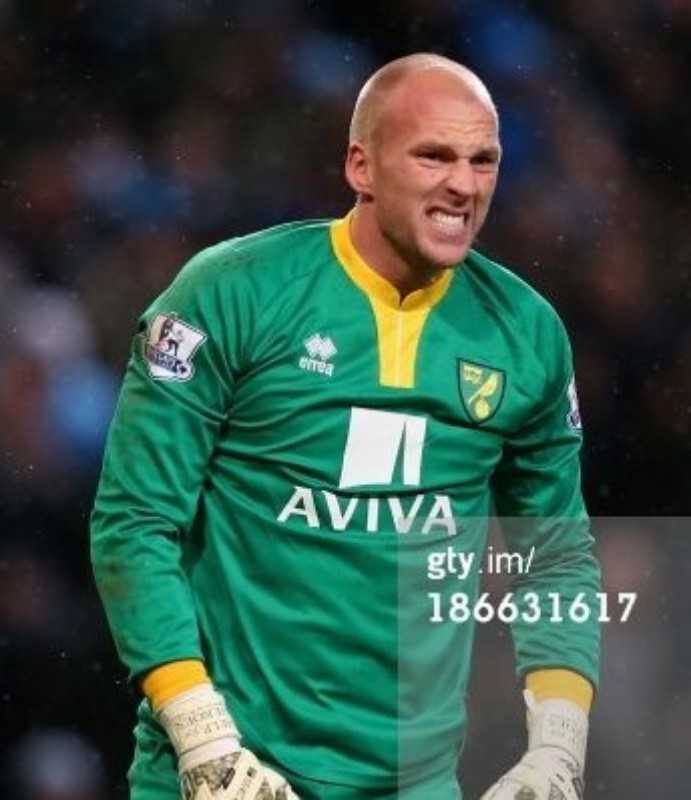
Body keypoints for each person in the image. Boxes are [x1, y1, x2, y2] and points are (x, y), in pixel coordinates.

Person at [90, 53, 601, 800]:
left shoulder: (524, 334)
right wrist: (201, 732)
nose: (463, 183)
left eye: (482, 160)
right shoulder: (231, 294)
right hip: (225, 774)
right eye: (433, 155)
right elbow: (134, 521)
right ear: (360, 166)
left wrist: (557, 749)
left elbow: (553, 558)